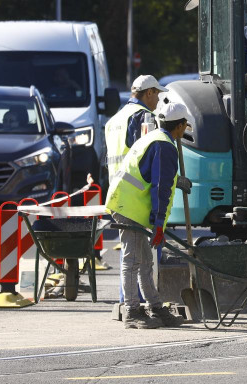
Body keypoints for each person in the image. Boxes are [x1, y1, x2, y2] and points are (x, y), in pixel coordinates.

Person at [105, 101, 192, 330]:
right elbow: (160, 188)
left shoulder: (155, 138)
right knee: (133, 260)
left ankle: (155, 307)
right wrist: (160, 223)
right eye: (185, 126)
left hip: (129, 204)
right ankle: (132, 311)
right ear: (181, 125)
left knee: (144, 262)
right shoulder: (164, 146)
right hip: (128, 207)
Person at [105, 75, 169, 184]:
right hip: (137, 192)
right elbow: (153, 160)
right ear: (149, 93)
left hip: (115, 189)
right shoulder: (145, 117)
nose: (158, 99)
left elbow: (107, 162)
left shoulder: (112, 121)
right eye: (157, 94)